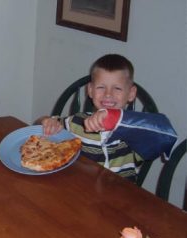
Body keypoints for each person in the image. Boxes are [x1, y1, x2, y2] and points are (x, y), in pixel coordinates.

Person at [36, 54, 177, 181]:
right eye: (101, 87)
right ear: (90, 90)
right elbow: (41, 125)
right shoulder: (77, 123)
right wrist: (46, 121)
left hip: (121, 201)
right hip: (80, 193)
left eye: (117, 88)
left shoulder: (134, 133)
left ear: (131, 93)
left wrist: (115, 119)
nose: (108, 94)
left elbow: (165, 133)